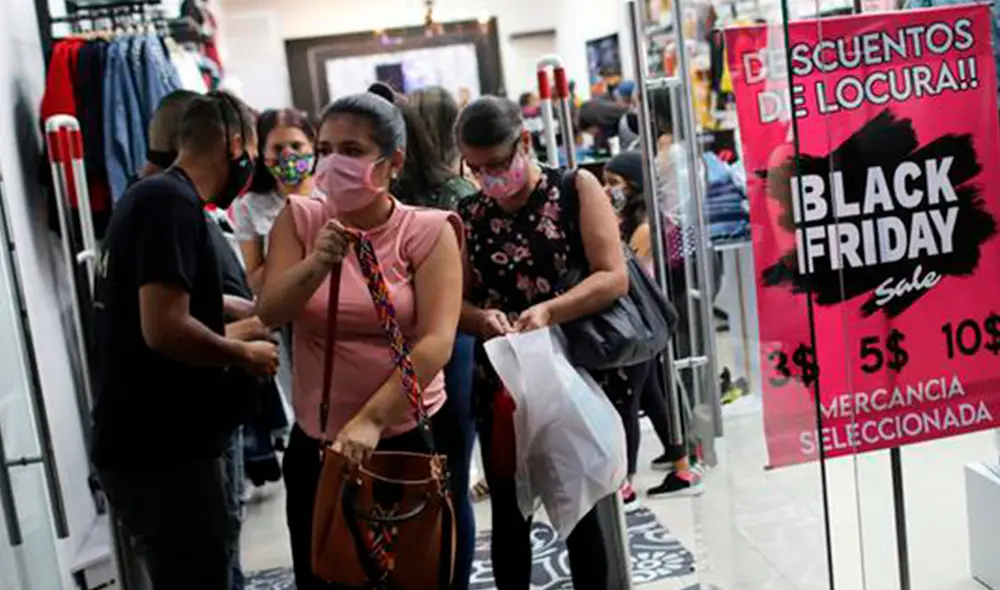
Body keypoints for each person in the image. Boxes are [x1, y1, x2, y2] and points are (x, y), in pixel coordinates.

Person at [256, 91, 464, 590]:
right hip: (319, 441)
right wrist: (317, 263)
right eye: (325, 150)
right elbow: (270, 310)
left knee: (410, 575)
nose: (332, 164)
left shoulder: (428, 231)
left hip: (404, 438)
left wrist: (371, 419)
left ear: (393, 162)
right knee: (327, 574)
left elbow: (436, 342)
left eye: (351, 151)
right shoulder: (300, 219)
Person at [91, 91, 280, 590]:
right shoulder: (169, 203)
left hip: (152, 447)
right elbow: (165, 327)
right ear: (234, 144)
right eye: (252, 153)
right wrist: (243, 352)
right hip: (163, 454)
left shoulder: (149, 196)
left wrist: (231, 306)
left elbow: (160, 293)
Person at [456, 96, 632, 589]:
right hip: (503, 381)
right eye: (476, 169)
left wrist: (550, 310)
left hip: (572, 370)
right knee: (509, 512)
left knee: (582, 509)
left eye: (497, 164)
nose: (489, 178)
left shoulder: (574, 188)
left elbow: (613, 276)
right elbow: (456, 302)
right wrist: (481, 318)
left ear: (525, 142)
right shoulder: (467, 214)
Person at [387, 84, 478, 590]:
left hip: (418, 345)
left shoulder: (401, 199)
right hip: (447, 344)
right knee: (449, 480)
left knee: (422, 479)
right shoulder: (456, 194)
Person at [603, 150, 703, 499]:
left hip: (638, 322)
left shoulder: (644, 226)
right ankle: (682, 467)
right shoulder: (631, 220)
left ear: (633, 185)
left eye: (614, 182)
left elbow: (619, 268)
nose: (608, 189)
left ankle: (625, 485)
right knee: (651, 395)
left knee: (627, 402)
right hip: (640, 322)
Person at [233, 108, 317, 293]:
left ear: (312, 145)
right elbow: (254, 283)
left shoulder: (333, 193)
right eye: (278, 149)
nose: (288, 155)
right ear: (262, 153)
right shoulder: (249, 206)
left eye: (296, 146)